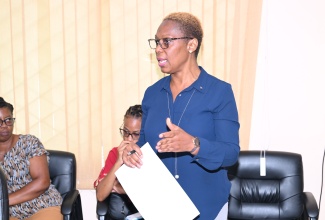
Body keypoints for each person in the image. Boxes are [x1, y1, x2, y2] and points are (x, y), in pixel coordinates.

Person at [122, 12, 240, 219]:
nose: (158, 49)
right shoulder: (152, 94)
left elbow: (230, 154)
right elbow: (144, 146)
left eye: (166, 42)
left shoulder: (219, 92)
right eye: (157, 42)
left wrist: (193, 144)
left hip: (207, 208)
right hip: (160, 207)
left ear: (191, 45)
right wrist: (132, 153)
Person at [0, 97, 63, 220]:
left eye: (8, 120)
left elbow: (42, 182)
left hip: (42, 205)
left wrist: (5, 200)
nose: (4, 126)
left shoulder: (29, 143)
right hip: (9, 212)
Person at [94, 105, 142, 219]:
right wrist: (118, 162)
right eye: (126, 132)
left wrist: (119, 187)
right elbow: (101, 195)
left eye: (135, 134)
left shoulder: (151, 154)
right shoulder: (115, 153)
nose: (129, 139)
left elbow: (150, 194)